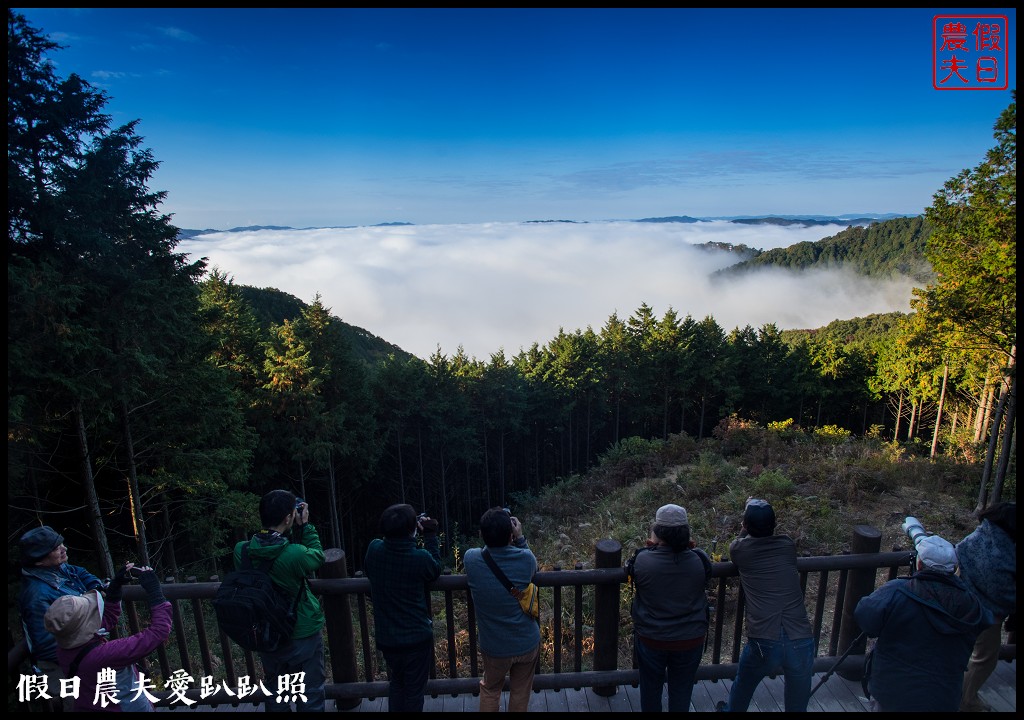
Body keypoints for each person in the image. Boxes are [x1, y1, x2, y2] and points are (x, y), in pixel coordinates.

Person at [854, 530, 993, 712]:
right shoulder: (971, 604)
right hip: (943, 695)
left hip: (893, 691)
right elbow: (985, 621)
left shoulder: (897, 592)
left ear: (919, 563)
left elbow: (866, 619)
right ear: (953, 569)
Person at [717, 498, 814, 713]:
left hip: (765, 639)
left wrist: (744, 527)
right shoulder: (787, 545)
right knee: (797, 704)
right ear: (774, 525)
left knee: (744, 684)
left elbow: (737, 543)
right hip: (800, 636)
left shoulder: (741, 550)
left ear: (745, 525)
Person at [234, 489, 326, 712]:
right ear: (288, 518)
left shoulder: (242, 550)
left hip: (266, 631)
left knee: (277, 691)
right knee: (310, 692)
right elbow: (317, 556)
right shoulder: (294, 554)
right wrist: (305, 526)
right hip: (301, 631)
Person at [43, 562, 172, 711]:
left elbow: (104, 622)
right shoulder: (106, 654)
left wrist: (115, 588)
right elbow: (159, 632)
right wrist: (155, 593)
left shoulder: (63, 649)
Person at [627, 503, 711, 712]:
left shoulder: (642, 560)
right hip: (690, 638)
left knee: (650, 689)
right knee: (682, 691)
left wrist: (651, 545)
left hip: (652, 637)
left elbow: (634, 571)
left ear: (656, 533)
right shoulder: (700, 559)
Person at [363, 504, 444, 712]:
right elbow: (435, 568)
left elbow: (371, 567)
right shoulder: (419, 558)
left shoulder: (374, 549)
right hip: (416, 638)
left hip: (388, 638)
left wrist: (410, 531)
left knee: (397, 684)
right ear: (413, 529)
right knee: (414, 692)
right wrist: (430, 536)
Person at [17, 525, 104, 710]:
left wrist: (97, 587)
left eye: (61, 543)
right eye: (56, 548)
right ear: (39, 561)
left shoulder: (58, 569)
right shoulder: (36, 595)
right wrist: (87, 657)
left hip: (81, 656)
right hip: (65, 668)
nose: (64, 548)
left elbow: (79, 572)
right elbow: (47, 645)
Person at [463, 507, 540, 712]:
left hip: (495, 646)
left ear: (481, 534)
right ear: (511, 534)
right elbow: (533, 566)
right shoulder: (526, 559)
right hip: (526, 641)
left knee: (490, 689)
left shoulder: (471, 559)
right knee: (520, 692)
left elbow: (484, 551)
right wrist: (521, 537)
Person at [955, 501, 1015, 712]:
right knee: (984, 658)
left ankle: (959, 694)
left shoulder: (978, 537)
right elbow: (1004, 590)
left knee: (961, 651)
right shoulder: (1005, 553)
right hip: (987, 612)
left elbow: (959, 553)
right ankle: (965, 700)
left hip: (959, 600)